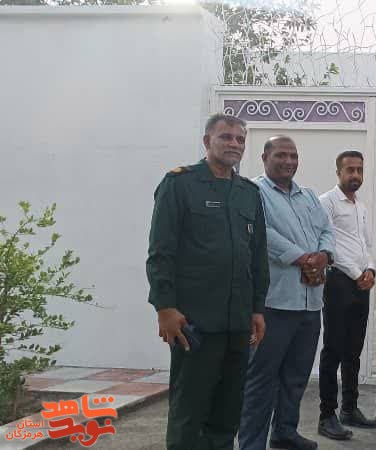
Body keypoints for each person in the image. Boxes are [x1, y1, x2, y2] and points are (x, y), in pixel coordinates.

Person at [146, 113, 268, 450]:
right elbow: (160, 252)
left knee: (227, 412)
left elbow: (257, 256)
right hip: (194, 322)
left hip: (237, 322)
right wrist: (164, 307)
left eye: (240, 139)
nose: (234, 144)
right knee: (189, 410)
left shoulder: (248, 193)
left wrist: (257, 308)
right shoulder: (179, 184)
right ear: (206, 141)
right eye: (226, 137)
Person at [239, 136, 334, 450]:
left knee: (296, 375)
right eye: (281, 155)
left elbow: (326, 230)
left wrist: (323, 256)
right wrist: (303, 258)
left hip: (310, 302)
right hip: (275, 303)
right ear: (265, 157)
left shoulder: (309, 196)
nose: (289, 161)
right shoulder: (253, 192)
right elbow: (260, 233)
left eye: (293, 156)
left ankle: (284, 432)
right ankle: (252, 443)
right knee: (261, 379)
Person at [316, 150, 376, 438]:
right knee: (333, 350)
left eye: (359, 170)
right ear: (338, 172)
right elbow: (328, 244)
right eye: (350, 169)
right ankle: (326, 415)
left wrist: (371, 269)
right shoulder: (326, 202)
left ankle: (349, 409)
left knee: (354, 349)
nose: (355, 175)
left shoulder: (360, 206)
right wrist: (357, 274)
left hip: (361, 284)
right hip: (339, 282)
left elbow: (366, 243)